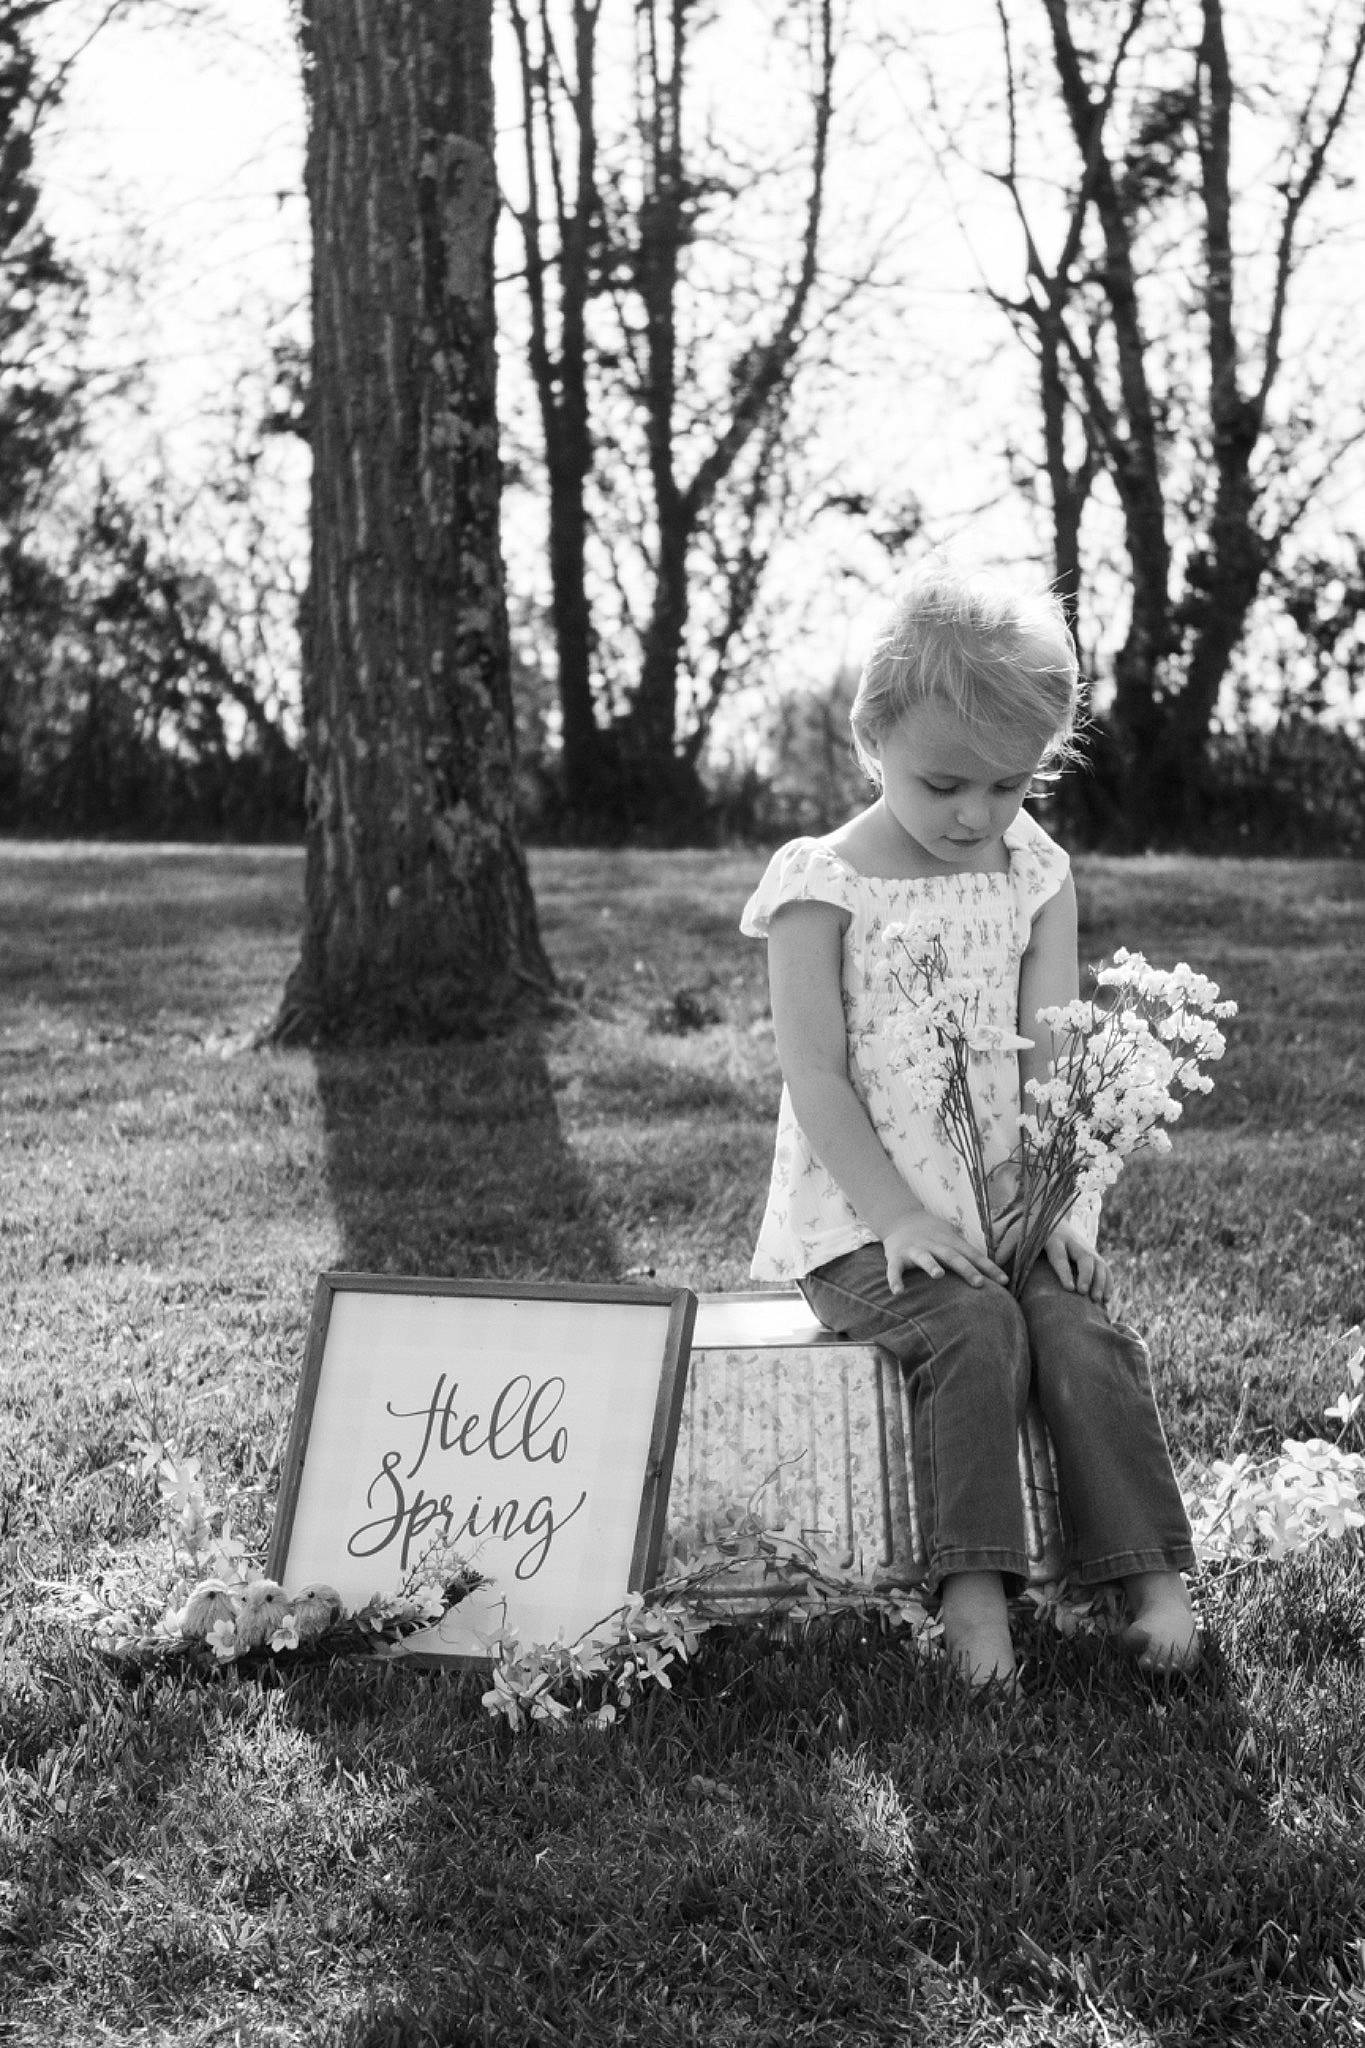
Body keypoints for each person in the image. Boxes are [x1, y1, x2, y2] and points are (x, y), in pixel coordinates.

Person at [741, 560, 1199, 1689]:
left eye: (1009, 783)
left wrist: (1061, 1204)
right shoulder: (822, 885)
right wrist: (897, 1212)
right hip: (860, 1226)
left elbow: (1056, 1056)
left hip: (1006, 1207)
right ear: (873, 735)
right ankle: (975, 1593)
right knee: (975, 1330)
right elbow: (816, 1073)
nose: (977, 813)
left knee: (1078, 1324)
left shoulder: (1037, 873)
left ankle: (1151, 1581)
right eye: (945, 781)